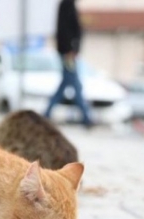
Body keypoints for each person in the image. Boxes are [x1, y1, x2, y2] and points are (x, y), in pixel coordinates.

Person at [44, 0, 93, 128]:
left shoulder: (68, 4)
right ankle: (86, 118)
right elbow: (64, 29)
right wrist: (70, 50)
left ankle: (46, 114)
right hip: (68, 53)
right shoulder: (67, 5)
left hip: (68, 51)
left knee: (65, 85)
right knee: (75, 85)